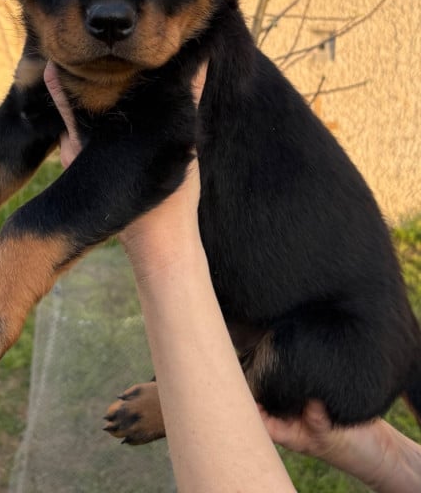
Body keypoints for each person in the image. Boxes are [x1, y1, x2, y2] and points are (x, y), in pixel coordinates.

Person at [44, 61, 421, 493]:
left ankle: (191, 396)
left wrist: (161, 248)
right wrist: (397, 462)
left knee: (281, 357)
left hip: (344, 335)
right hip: (309, 303)